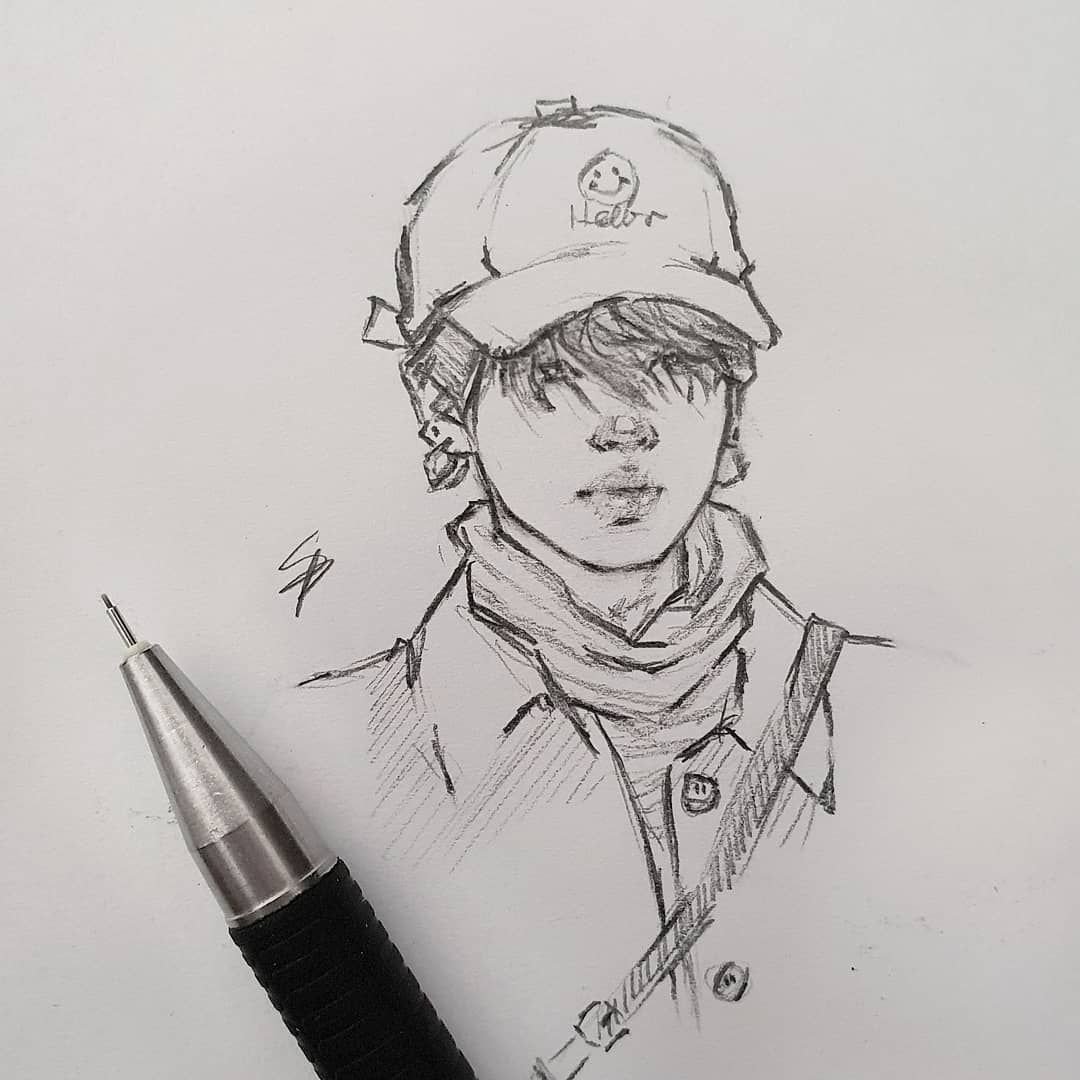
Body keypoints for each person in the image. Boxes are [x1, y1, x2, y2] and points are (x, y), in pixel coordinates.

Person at [304, 98, 884, 1075]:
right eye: (554, 371)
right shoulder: (336, 749)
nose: (627, 425)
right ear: (444, 404)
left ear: (733, 395)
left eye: (677, 364)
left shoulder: (894, 699)